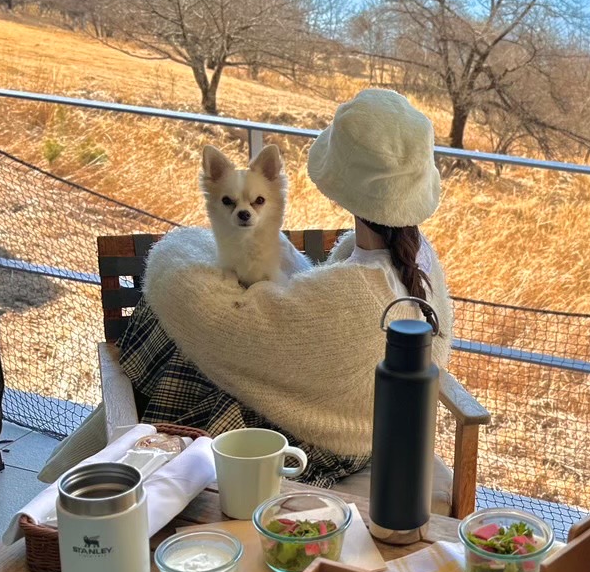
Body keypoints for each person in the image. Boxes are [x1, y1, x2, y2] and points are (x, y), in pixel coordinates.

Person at [119, 87, 452, 486]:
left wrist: (218, 244)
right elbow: (307, 324)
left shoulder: (349, 293)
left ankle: (122, 468)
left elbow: (215, 315)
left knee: (187, 345)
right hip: (374, 431)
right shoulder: (419, 260)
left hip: (323, 446)